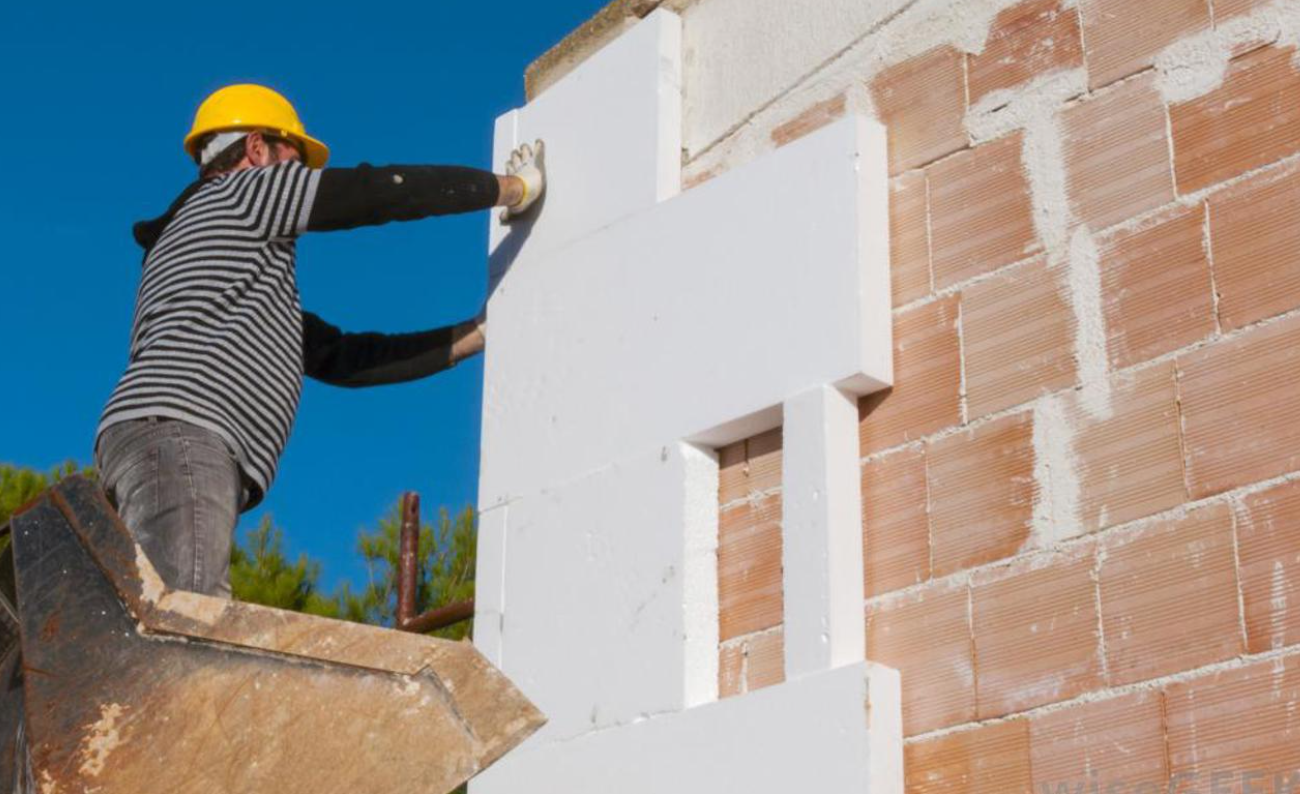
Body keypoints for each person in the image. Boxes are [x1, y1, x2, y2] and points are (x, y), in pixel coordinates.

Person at [93, 83, 546, 598]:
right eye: (295, 160)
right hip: (182, 434)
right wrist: (512, 189)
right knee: (185, 615)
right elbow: (380, 192)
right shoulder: (242, 194)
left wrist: (476, 333)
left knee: (164, 616)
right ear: (257, 149)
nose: (301, 176)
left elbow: (346, 359)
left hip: (157, 437)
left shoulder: (225, 268)